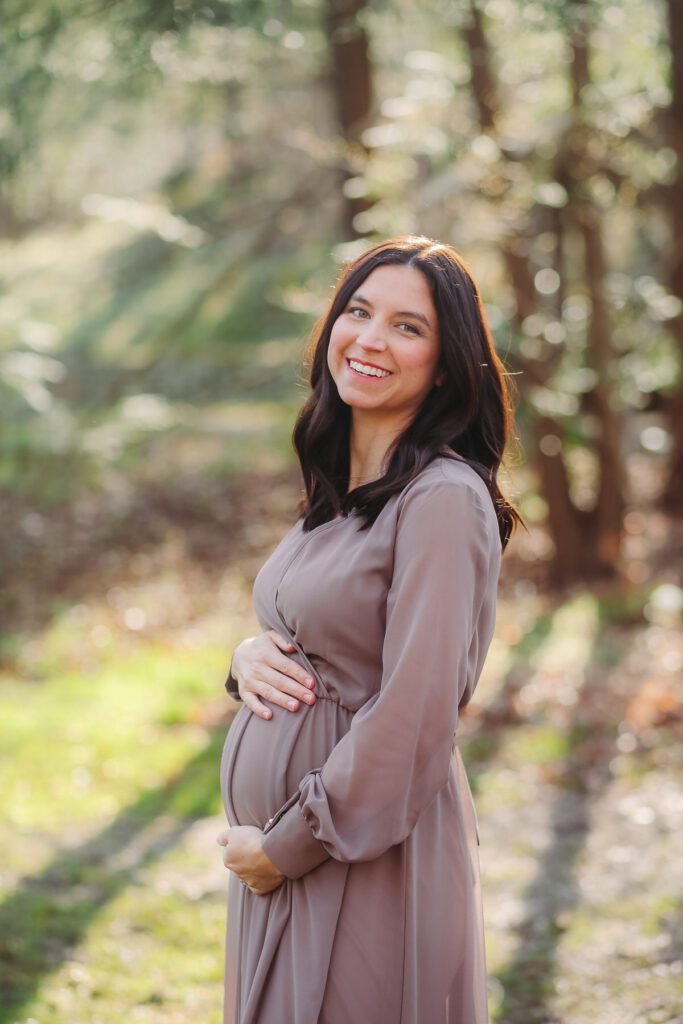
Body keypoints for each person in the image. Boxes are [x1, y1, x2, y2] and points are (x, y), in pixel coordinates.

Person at [215, 235, 523, 1024]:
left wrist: (284, 848)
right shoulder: (341, 492)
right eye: (358, 311)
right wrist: (247, 657)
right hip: (290, 866)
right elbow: (317, 632)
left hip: (358, 856)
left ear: (448, 364)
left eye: (407, 327)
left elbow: (418, 712)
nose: (369, 339)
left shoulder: (441, 500)